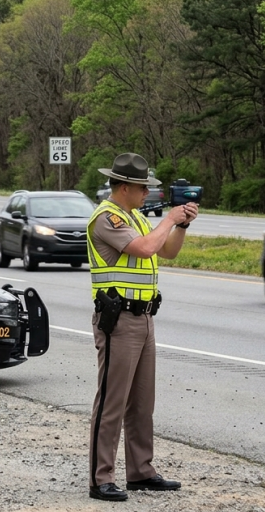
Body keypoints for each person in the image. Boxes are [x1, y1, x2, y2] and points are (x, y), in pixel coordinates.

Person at [86, 153, 198, 502]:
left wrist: (180, 225)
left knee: (141, 403)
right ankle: (100, 478)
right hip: (118, 320)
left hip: (144, 318)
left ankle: (141, 471)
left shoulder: (132, 216)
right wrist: (168, 218)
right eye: (142, 188)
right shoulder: (107, 218)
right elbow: (146, 248)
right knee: (112, 401)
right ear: (123, 187)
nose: (147, 193)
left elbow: (168, 252)